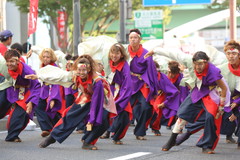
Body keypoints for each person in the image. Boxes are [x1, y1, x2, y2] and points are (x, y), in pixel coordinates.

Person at [27, 55, 117, 150]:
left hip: (102, 99)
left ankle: (88, 141)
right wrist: (39, 76)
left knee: (103, 121)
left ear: (89, 69)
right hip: (85, 97)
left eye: (84, 70)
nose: (81, 73)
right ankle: (52, 138)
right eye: (79, 70)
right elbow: (60, 77)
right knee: (70, 117)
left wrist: (91, 120)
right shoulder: (75, 74)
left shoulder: (97, 81)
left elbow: (96, 102)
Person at [161, 51, 228, 154]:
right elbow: (174, 54)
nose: (198, 67)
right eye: (196, 64)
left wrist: (221, 107)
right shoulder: (190, 62)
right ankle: (172, 139)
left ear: (206, 63)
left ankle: (207, 146)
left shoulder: (213, 71)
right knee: (182, 114)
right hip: (197, 92)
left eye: (200, 64)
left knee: (211, 117)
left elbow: (224, 88)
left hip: (211, 94)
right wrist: (155, 51)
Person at [127, 28, 159, 140]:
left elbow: (151, 71)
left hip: (142, 83)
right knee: (120, 107)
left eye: (135, 37)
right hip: (128, 84)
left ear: (140, 39)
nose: (133, 40)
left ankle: (139, 132)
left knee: (146, 108)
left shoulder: (146, 53)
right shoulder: (125, 52)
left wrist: (153, 87)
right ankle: (111, 131)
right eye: (131, 38)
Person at [3, 49, 40, 142]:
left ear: (18, 61)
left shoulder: (27, 70)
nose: (9, 64)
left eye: (12, 61)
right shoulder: (4, 67)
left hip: (26, 93)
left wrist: (31, 102)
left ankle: (13, 135)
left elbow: (36, 86)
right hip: (10, 91)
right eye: (7, 61)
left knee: (21, 114)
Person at [102, 43, 132, 144]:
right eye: (112, 53)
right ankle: (106, 131)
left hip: (121, 92)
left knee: (124, 116)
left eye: (117, 53)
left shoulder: (125, 65)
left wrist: (122, 98)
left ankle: (116, 135)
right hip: (108, 90)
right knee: (104, 113)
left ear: (122, 54)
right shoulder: (108, 63)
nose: (114, 55)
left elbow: (127, 83)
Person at [34, 48, 63, 137]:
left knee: (53, 111)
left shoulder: (54, 68)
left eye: (48, 57)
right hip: (43, 92)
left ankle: (58, 127)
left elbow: (56, 84)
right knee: (39, 107)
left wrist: (53, 98)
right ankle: (46, 128)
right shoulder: (42, 66)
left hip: (52, 92)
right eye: (44, 57)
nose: (45, 59)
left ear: (51, 57)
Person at [149, 61, 180, 136]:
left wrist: (165, 102)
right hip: (153, 95)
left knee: (159, 111)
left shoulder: (179, 78)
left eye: (172, 73)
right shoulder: (149, 76)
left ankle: (157, 127)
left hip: (167, 96)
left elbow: (175, 92)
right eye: (169, 73)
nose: (170, 75)